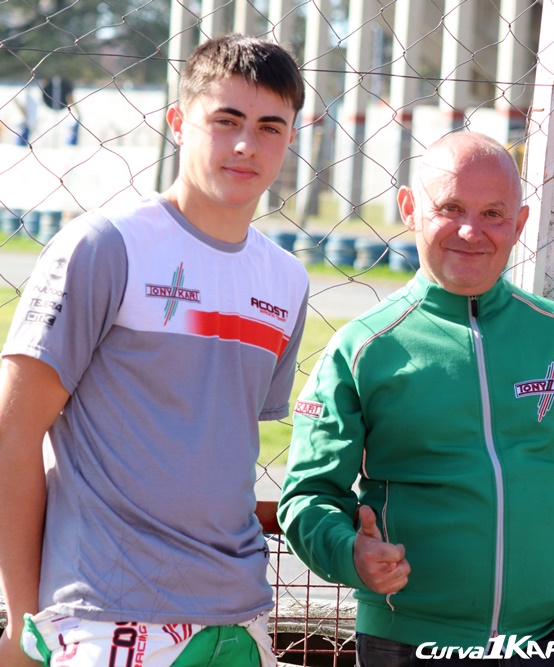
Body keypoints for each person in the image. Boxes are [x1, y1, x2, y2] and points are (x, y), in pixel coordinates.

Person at [278, 131, 554, 666]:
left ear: (519, 223)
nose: (471, 231)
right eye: (450, 208)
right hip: (407, 641)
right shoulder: (362, 349)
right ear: (409, 209)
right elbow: (307, 496)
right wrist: (348, 552)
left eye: (493, 213)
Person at [0, 34, 309, 667]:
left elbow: (218, 452)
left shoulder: (286, 279)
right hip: (105, 616)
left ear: (291, 139)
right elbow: (12, 433)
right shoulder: (105, 245)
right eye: (226, 120)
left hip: (240, 617)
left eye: (269, 127)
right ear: (178, 121)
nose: (247, 145)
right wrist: (24, 622)